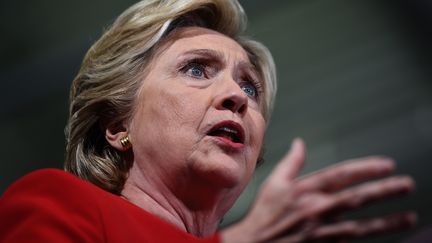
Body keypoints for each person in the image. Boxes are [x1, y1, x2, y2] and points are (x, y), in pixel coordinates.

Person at [0, 0, 416, 242]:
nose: (237, 97)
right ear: (116, 124)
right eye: (197, 70)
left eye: (250, 88)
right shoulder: (56, 203)